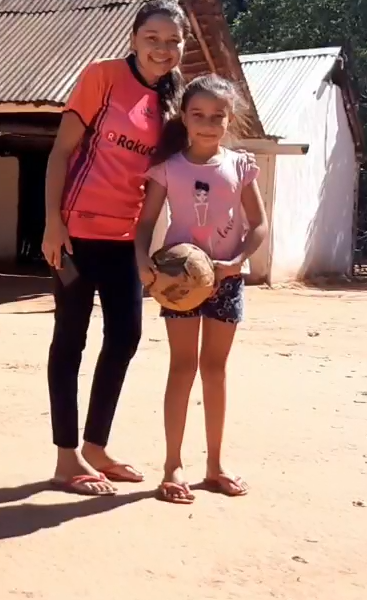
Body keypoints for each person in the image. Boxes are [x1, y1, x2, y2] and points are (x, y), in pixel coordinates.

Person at [39, 0, 191, 496]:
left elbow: (163, 181)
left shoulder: (173, 102)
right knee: (71, 339)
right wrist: (53, 224)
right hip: (77, 236)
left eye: (172, 41)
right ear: (133, 38)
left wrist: (150, 248)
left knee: (124, 338)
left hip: (127, 241)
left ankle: (97, 447)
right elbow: (62, 152)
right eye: (152, 38)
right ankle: (67, 458)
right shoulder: (101, 78)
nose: (162, 49)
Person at [133, 74, 270, 504]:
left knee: (215, 370)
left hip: (226, 282)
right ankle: (172, 465)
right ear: (184, 118)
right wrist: (144, 266)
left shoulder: (241, 165)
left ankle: (215, 465)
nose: (208, 123)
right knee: (181, 368)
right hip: (178, 285)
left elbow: (259, 225)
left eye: (217, 116)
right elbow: (144, 225)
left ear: (229, 120)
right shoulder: (168, 168)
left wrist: (237, 261)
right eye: (199, 115)